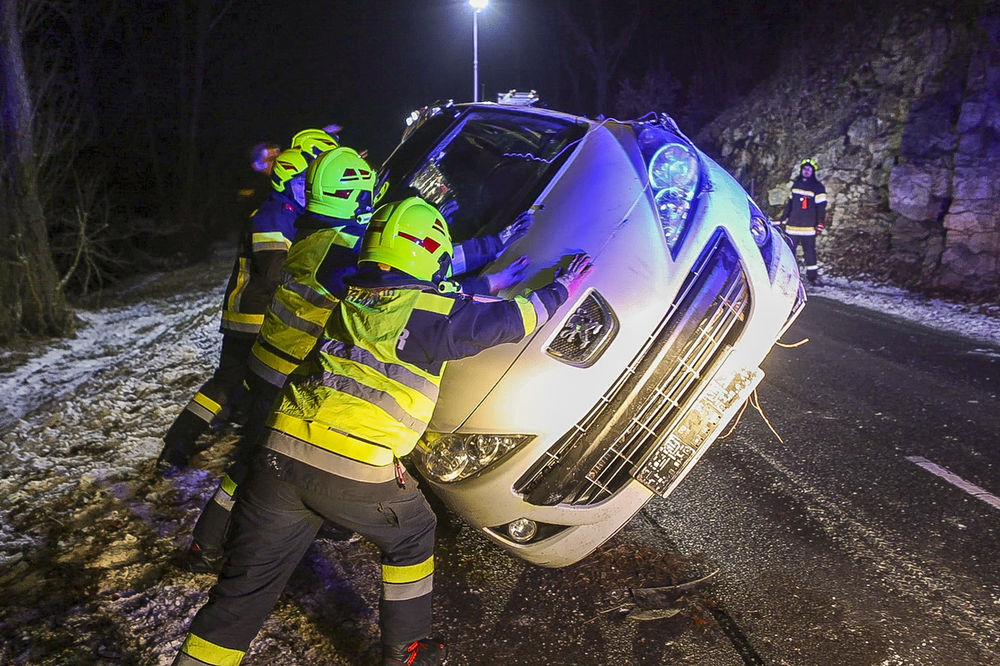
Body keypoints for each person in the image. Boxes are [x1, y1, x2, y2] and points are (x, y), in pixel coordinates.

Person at [170, 196, 594, 666]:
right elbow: (510, 320)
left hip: (278, 458)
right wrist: (562, 287)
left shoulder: (350, 298)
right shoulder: (433, 311)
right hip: (353, 471)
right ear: (430, 255)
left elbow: (438, 302)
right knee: (414, 533)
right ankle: (405, 652)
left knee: (244, 590)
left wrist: (489, 282)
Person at [183, 147, 533, 571]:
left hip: (267, 364)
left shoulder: (314, 233)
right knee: (253, 466)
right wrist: (490, 269)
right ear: (354, 197)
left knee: (254, 460)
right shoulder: (345, 248)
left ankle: (212, 541)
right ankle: (210, 544)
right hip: (285, 374)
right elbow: (415, 281)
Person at [156, 148, 314, 476]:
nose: (308, 189)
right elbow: (274, 270)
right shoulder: (274, 215)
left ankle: (185, 442)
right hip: (253, 317)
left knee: (238, 383)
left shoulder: (287, 212)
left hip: (254, 314)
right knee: (229, 383)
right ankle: (179, 445)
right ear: (286, 181)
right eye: (302, 182)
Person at [778, 158, 828, 285]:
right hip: (792, 226)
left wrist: (820, 223)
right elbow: (790, 205)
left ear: (813, 172)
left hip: (808, 228)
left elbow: (821, 208)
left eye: (809, 169)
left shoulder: (818, 187)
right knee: (789, 251)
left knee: (809, 252)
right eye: (805, 169)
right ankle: (788, 276)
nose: (806, 171)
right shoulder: (796, 185)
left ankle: (812, 277)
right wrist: (784, 218)